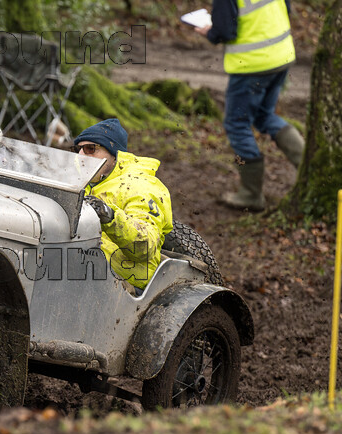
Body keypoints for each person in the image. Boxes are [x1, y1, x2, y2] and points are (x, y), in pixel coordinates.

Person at [195, 0, 305, 211]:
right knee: (264, 115)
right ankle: (309, 167)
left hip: (252, 64)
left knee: (237, 124)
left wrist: (209, 31)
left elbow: (225, 31)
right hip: (281, 55)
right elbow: (286, 9)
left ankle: (251, 194)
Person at [72, 118, 174, 291]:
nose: (81, 155)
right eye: (78, 149)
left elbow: (145, 245)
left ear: (114, 155)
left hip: (128, 282)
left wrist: (110, 215)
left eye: (90, 149)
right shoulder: (79, 181)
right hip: (79, 268)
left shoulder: (140, 186)